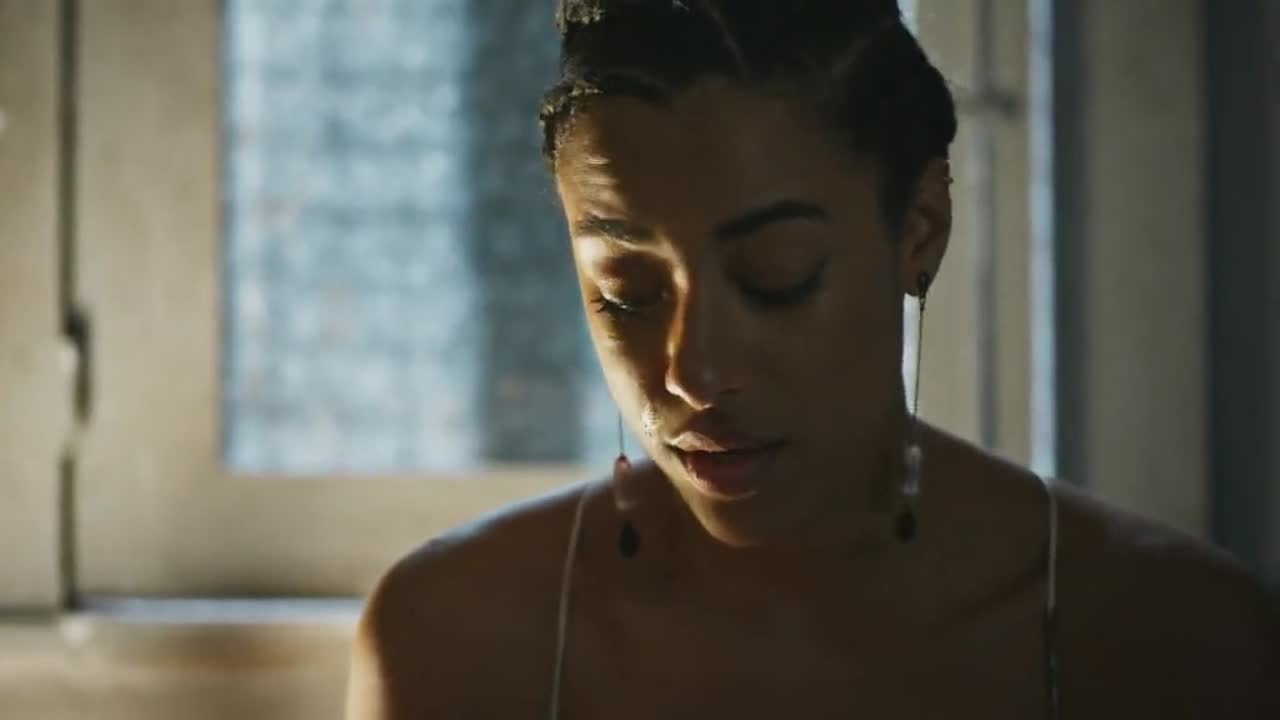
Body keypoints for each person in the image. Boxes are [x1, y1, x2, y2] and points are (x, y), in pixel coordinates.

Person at [345, 2, 1277, 717]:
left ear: (919, 228)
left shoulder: (1174, 644)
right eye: (627, 291)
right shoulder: (455, 642)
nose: (693, 373)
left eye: (776, 276)